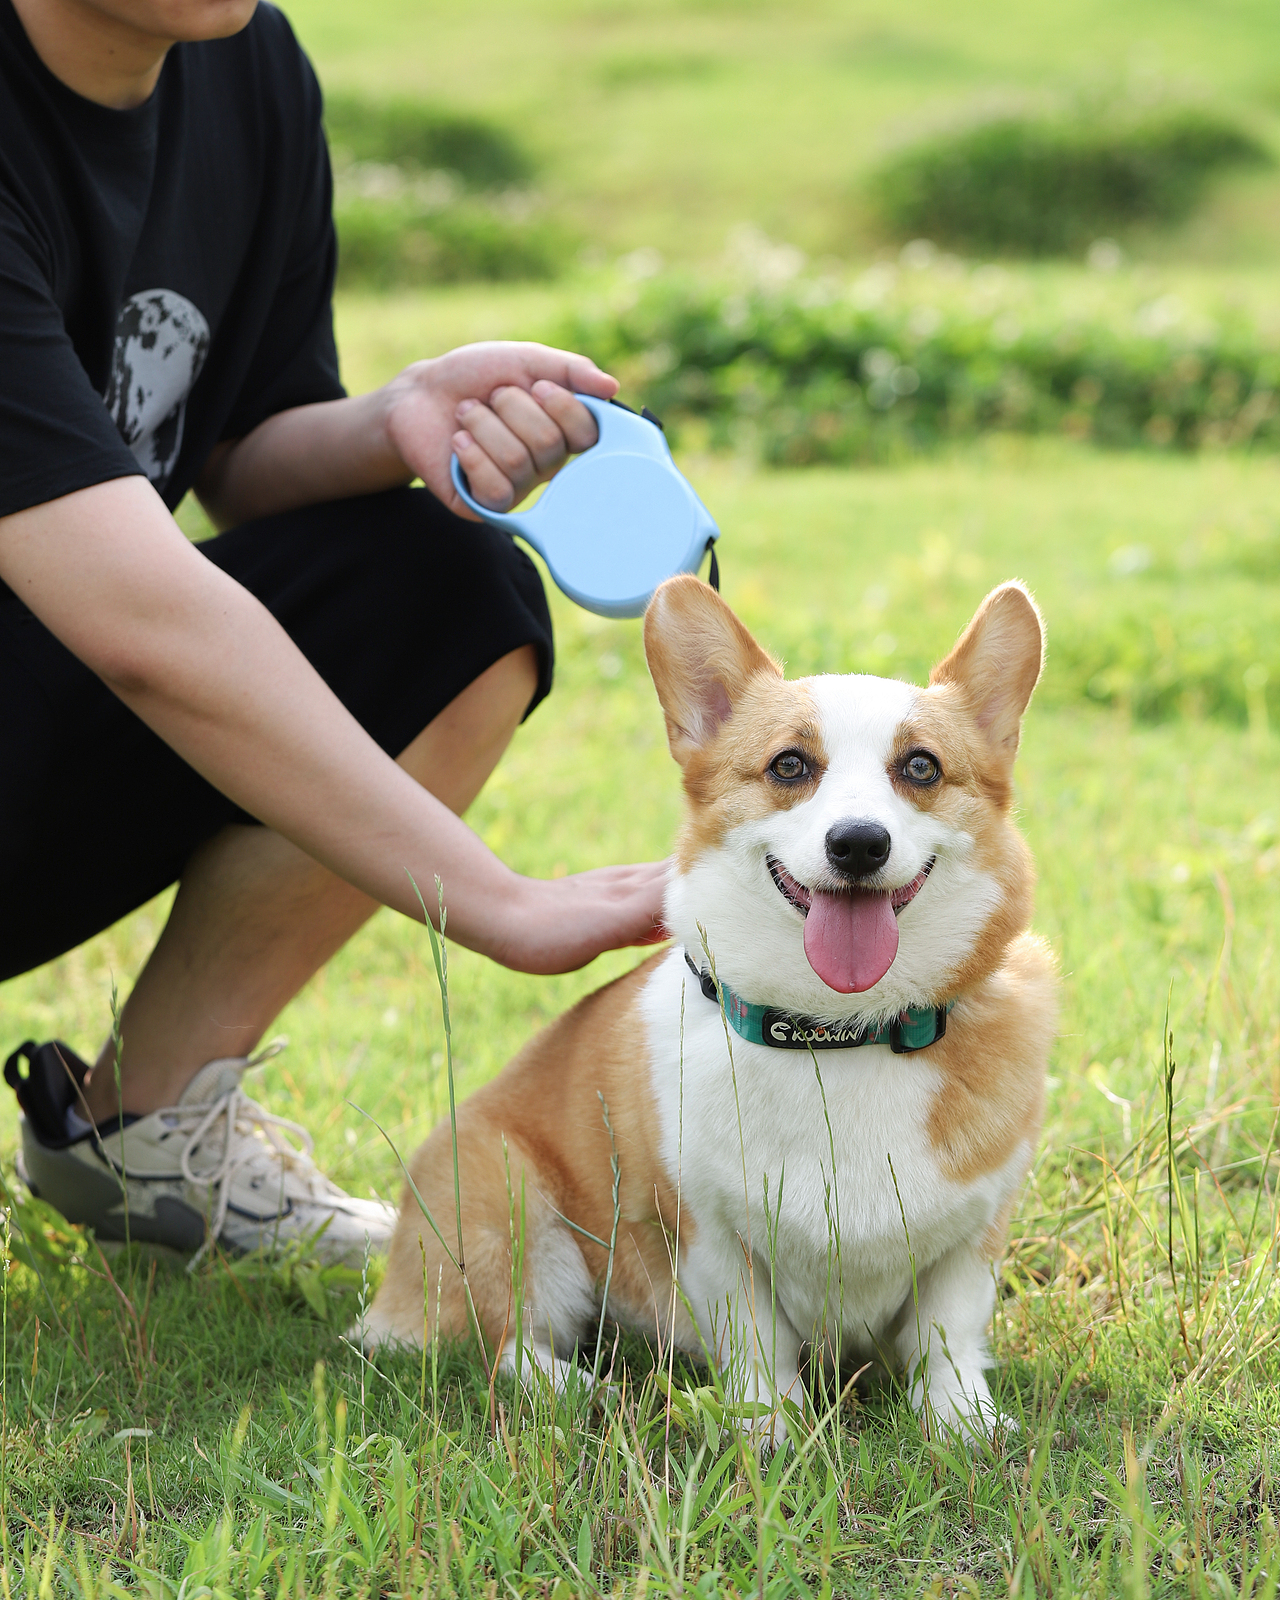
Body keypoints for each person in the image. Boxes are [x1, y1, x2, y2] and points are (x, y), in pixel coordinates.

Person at [0, 0, 667, 1264]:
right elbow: (137, 617)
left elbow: (237, 454)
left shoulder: (242, 62)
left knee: (445, 590)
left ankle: (148, 1132)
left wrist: (397, 417)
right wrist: (498, 904)